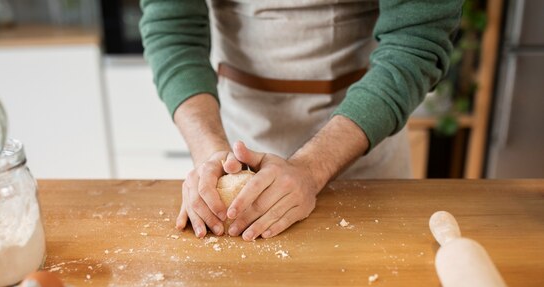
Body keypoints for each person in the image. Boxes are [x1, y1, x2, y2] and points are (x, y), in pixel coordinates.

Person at [140, 0, 463, 241]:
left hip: (364, 149)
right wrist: (210, 152)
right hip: (241, 134)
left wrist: (312, 168)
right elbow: (173, 33)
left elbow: (416, 42)